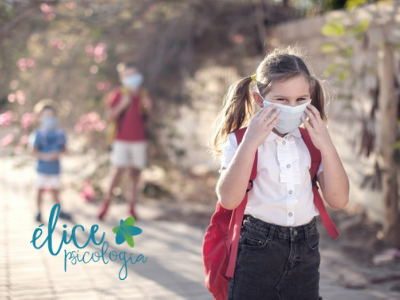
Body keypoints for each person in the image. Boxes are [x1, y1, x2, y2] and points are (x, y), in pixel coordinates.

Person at [210, 47, 349, 300]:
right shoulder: (240, 140)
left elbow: (339, 200)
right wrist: (250, 144)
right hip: (256, 249)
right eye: (282, 100)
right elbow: (228, 199)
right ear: (259, 100)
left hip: (306, 248)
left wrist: (327, 144)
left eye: (300, 100)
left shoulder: (312, 142)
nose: (292, 107)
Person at [98, 62, 153, 220]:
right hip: (121, 139)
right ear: (122, 78)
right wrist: (123, 104)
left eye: (134, 74)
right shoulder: (118, 94)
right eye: (128, 75)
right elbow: (110, 116)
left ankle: (132, 208)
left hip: (139, 139)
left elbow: (149, 117)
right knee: (117, 172)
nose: (132, 78)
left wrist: (148, 108)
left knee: (135, 174)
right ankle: (106, 205)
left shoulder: (143, 94)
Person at [31, 104, 69, 222]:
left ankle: (59, 211)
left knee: (55, 190)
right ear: (40, 117)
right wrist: (45, 156)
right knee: (40, 190)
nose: (49, 118)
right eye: (46, 115)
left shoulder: (59, 133)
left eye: (51, 115)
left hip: (55, 167)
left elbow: (65, 149)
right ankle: (38, 211)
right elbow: (33, 150)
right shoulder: (38, 133)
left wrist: (57, 154)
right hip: (42, 167)